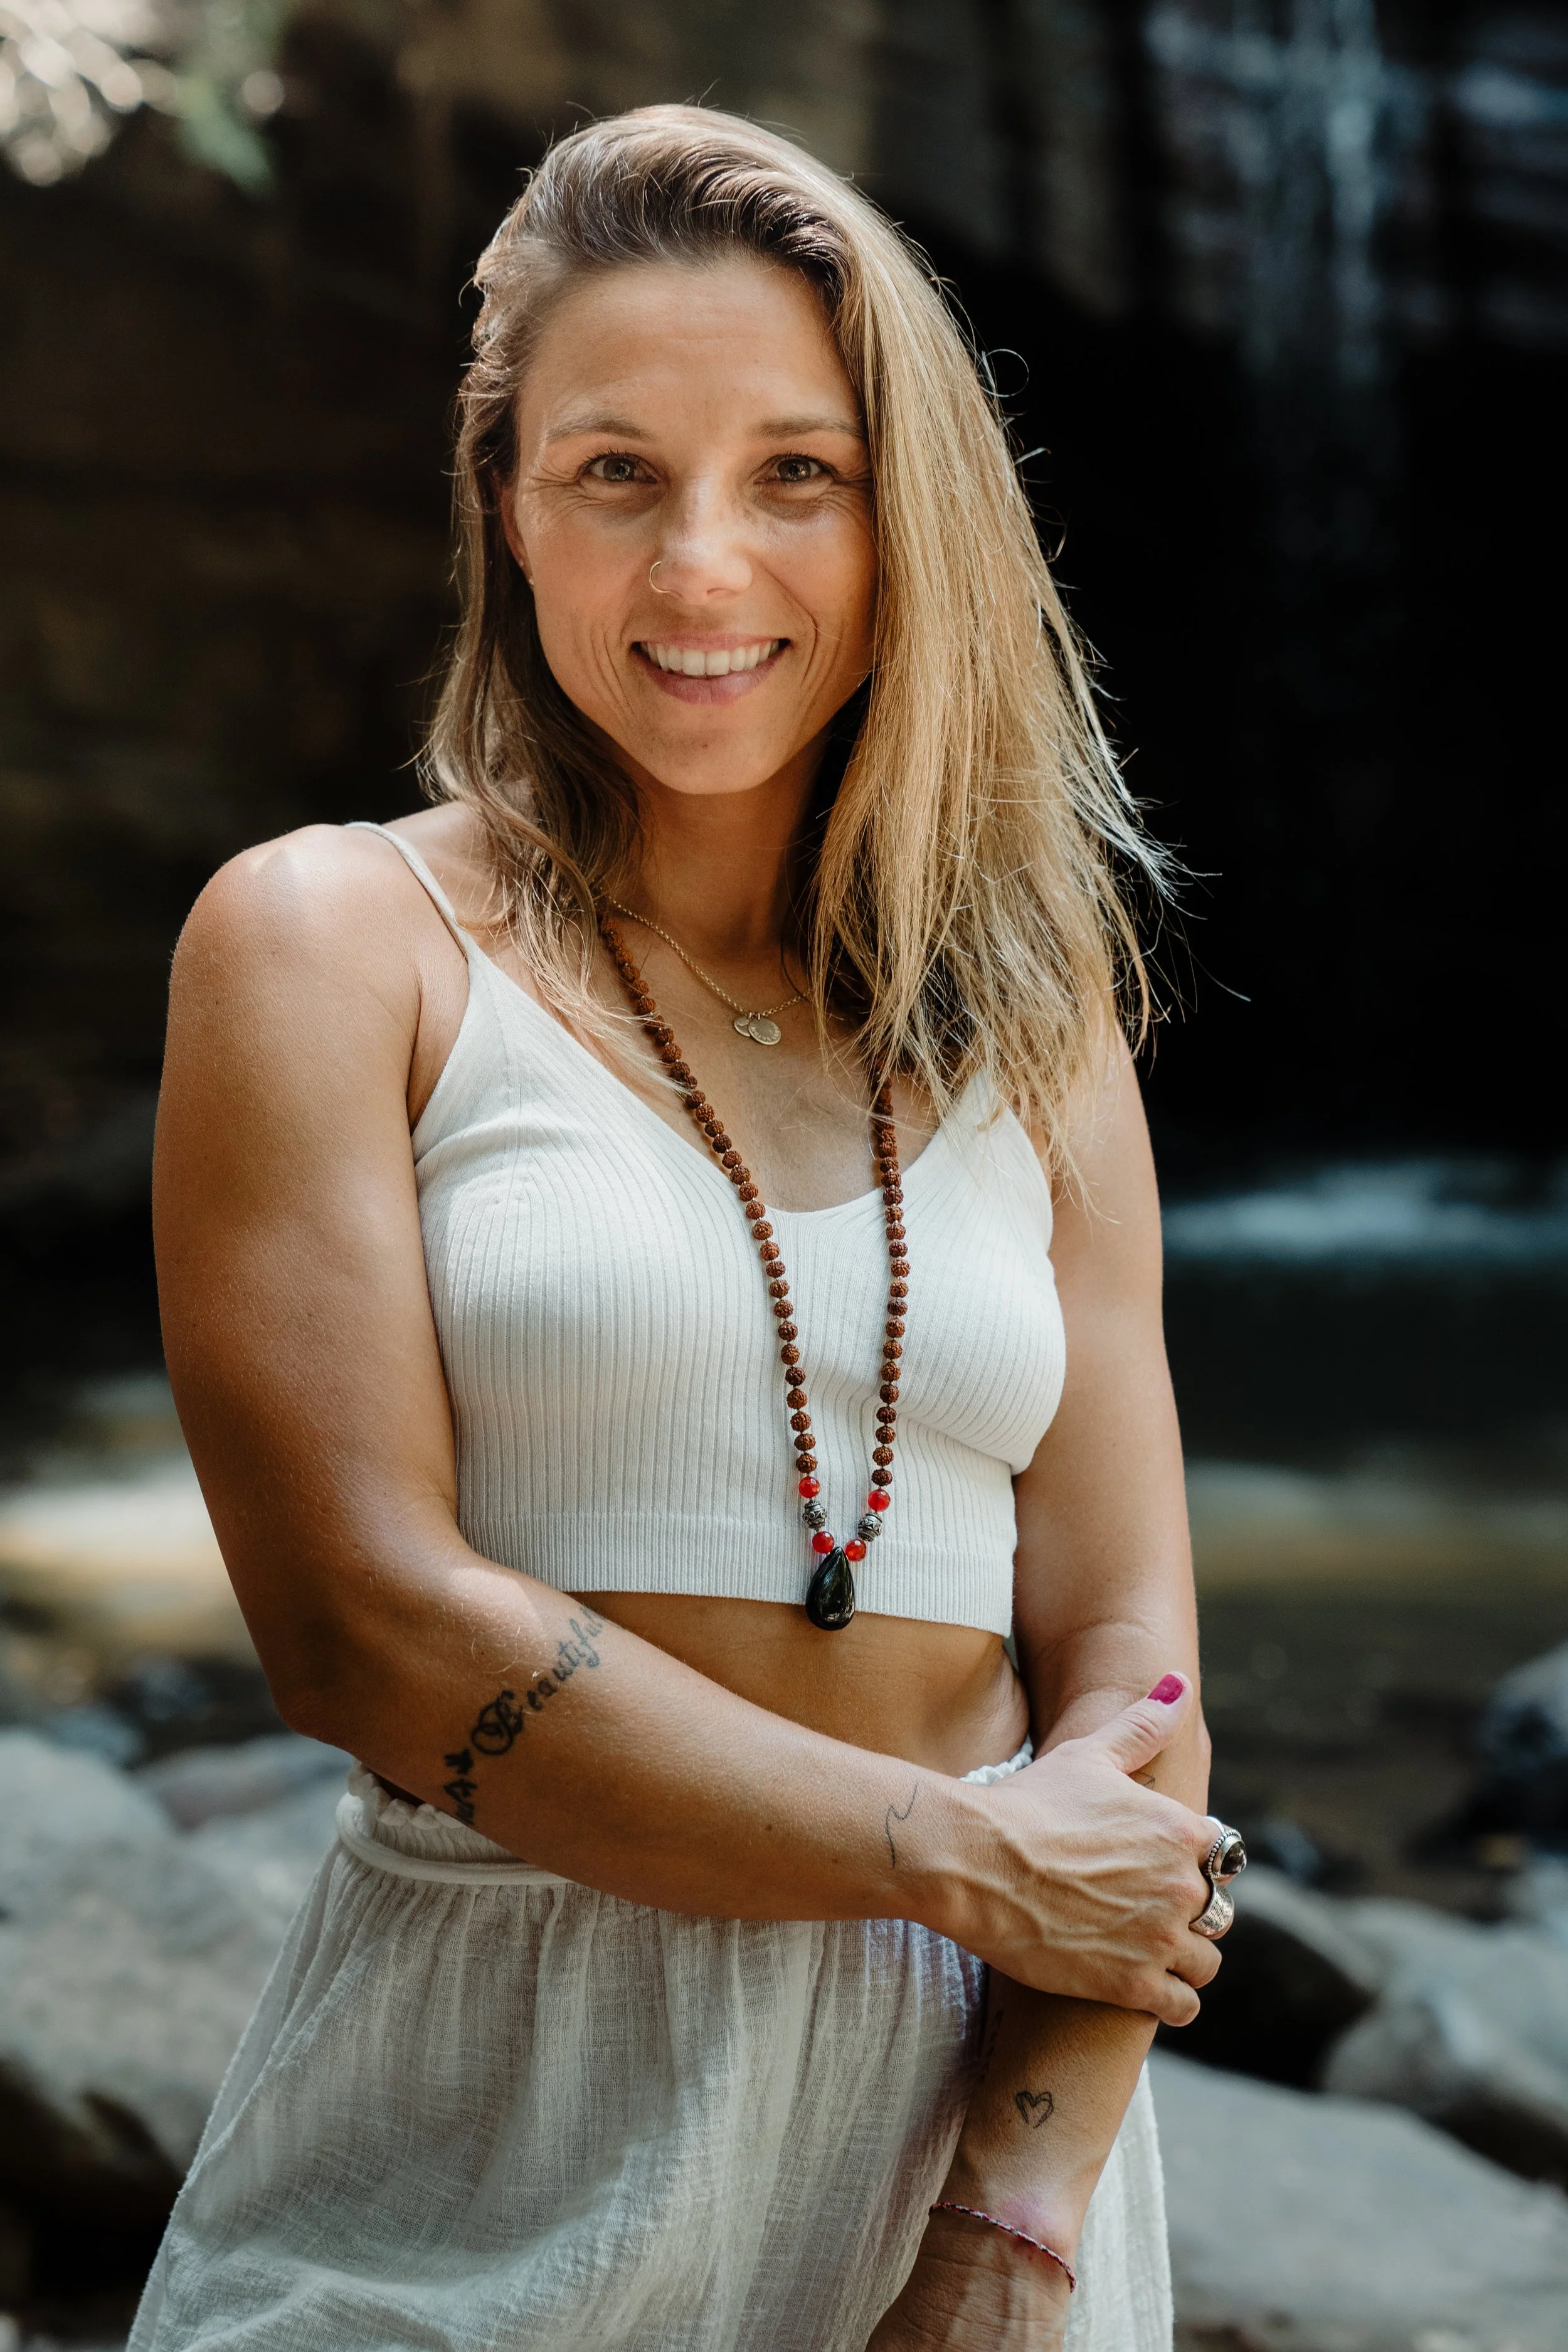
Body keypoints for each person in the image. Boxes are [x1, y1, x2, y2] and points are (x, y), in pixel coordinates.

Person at [133, 104, 1229, 2352]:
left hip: (961, 2111)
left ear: (904, 515)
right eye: (613, 470)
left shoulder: (1039, 1024)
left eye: (795, 475)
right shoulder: (334, 940)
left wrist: (1009, 2237)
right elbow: (361, 1624)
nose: (699, 567)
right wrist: (945, 1844)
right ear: (505, 506)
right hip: (488, 2096)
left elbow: (1138, 1677)